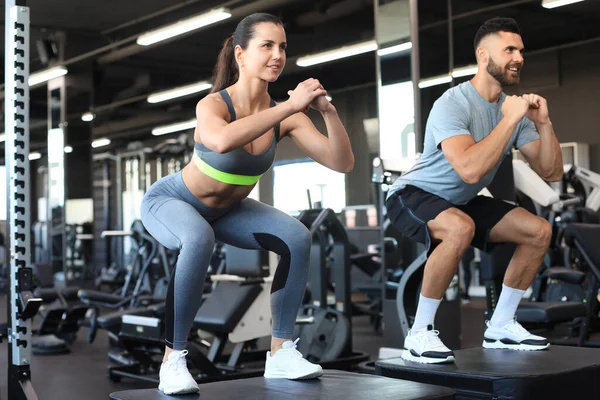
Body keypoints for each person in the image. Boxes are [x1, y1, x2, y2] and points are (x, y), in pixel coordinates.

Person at [140, 12, 354, 395]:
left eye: (283, 47)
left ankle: (281, 351)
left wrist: (328, 112)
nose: (277, 55)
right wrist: (290, 107)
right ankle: (172, 359)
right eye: (266, 46)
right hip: (173, 201)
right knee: (198, 237)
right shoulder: (213, 105)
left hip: (229, 211)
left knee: (297, 236)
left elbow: (341, 162)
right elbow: (221, 141)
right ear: (240, 54)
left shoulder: (283, 116)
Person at [385, 17, 563, 364]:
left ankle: (501, 324)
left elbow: (551, 171)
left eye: (521, 50)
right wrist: (510, 120)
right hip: (413, 194)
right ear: (484, 55)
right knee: (459, 227)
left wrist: (544, 123)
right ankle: (419, 332)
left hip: (461, 200)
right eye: (509, 49)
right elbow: (469, 169)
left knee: (538, 231)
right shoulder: (453, 103)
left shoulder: (513, 111)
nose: (518, 57)